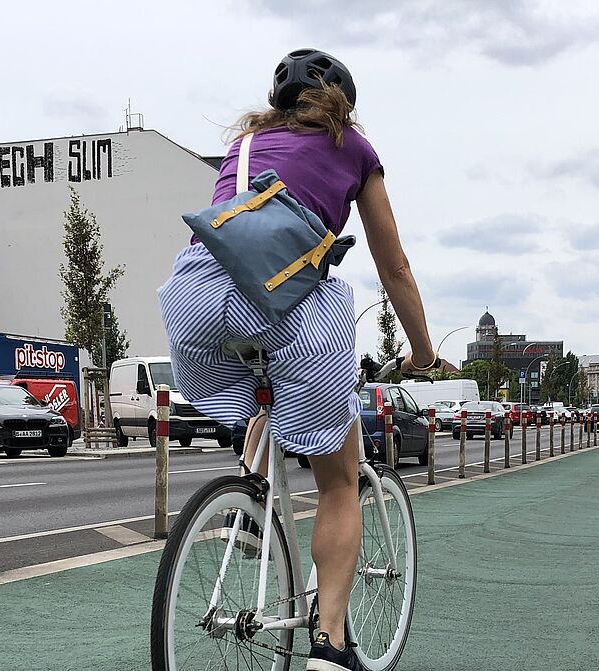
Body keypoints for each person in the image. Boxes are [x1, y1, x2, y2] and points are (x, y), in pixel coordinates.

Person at [157, 49, 454, 671]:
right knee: (338, 482)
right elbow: (394, 268)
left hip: (192, 299)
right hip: (286, 306)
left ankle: (251, 507)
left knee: (261, 394)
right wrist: (425, 352)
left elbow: (234, 238)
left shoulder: (244, 145)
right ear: (342, 104)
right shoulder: (353, 149)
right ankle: (330, 644)